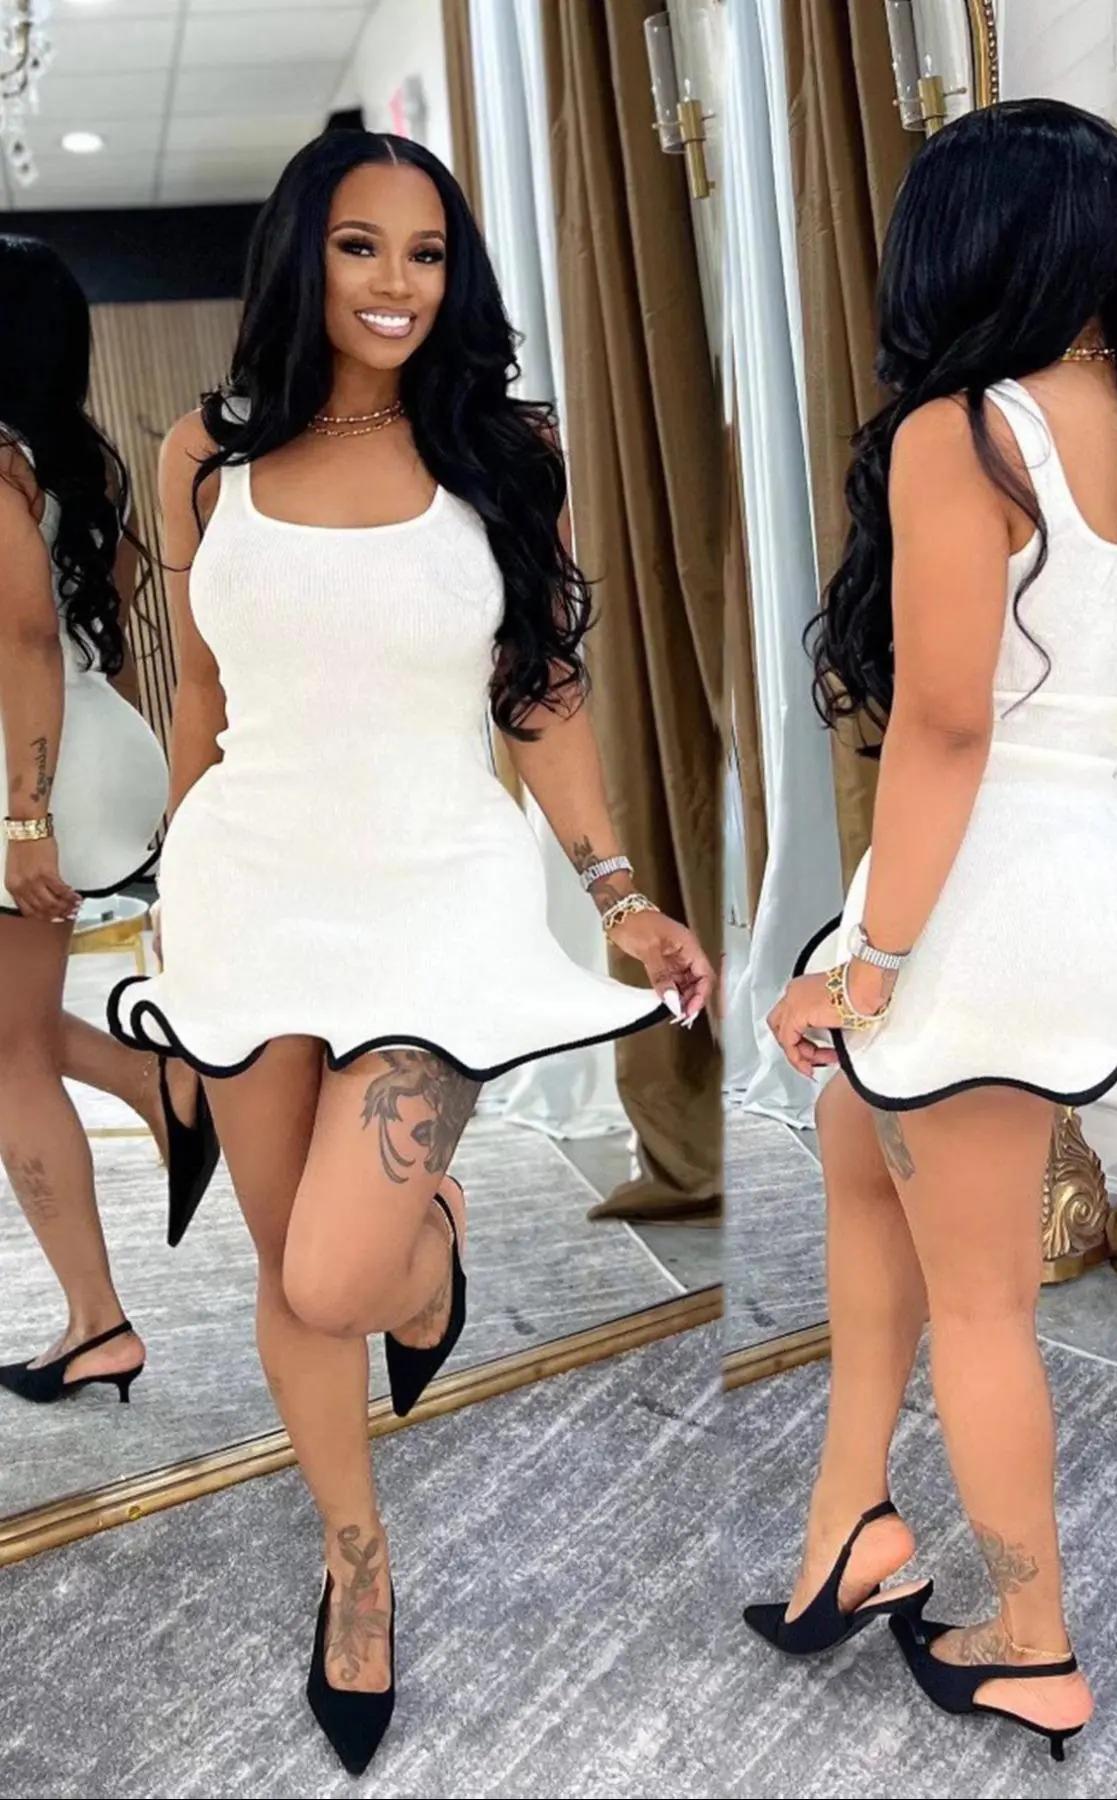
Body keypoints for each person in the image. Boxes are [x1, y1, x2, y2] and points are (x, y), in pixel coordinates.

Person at [105, 130, 715, 1776]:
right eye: (361, 247)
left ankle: (427, 1258)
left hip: (436, 900)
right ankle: (357, 1570)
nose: (396, 283)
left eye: (427, 252)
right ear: (301, 256)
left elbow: (542, 691)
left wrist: (615, 890)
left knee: (337, 1272)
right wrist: (171, 898)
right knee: (287, 1281)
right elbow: (202, 693)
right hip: (250, 896)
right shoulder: (204, 455)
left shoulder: (506, 450)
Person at [749, 99, 1117, 1762]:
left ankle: (1030, 1638)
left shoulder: (962, 434)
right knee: (858, 1146)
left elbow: (946, 730)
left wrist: (868, 967)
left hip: (996, 898)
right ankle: (849, 1517)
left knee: (980, 1299)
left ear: (959, 250)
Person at [0, 235, 217, 1409]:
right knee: (11, 1030)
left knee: (9, 1054)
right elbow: (111, 613)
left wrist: (29, 814)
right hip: (94, 741)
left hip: (30, 765)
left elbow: (27, 641)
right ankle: (155, 1078)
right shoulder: (73, 460)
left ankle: (98, 1323)